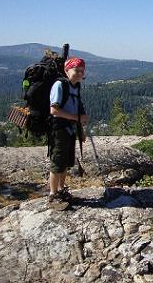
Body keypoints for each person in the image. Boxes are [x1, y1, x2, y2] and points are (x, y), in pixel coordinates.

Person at [47, 57, 88, 207]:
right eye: (76, 70)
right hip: (59, 129)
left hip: (70, 129)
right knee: (57, 162)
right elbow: (54, 110)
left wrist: (80, 130)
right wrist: (76, 118)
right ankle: (53, 194)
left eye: (82, 71)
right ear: (67, 70)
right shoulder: (60, 85)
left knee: (65, 162)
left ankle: (61, 189)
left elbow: (77, 106)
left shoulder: (76, 86)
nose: (79, 73)